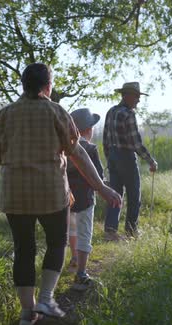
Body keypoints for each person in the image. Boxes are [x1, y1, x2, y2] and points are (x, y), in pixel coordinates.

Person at [0, 63, 121, 325]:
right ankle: (46, 299)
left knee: (24, 250)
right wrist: (101, 187)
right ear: (48, 86)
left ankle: (28, 314)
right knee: (57, 243)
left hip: (15, 194)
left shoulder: (3, 115)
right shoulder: (56, 111)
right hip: (51, 192)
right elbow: (78, 153)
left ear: (23, 85)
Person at [103, 82, 157, 241]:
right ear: (126, 95)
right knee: (134, 195)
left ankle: (110, 231)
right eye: (137, 96)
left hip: (113, 156)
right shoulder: (128, 114)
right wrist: (151, 161)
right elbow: (136, 143)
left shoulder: (111, 111)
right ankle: (131, 231)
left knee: (115, 194)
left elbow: (106, 139)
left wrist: (110, 158)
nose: (139, 100)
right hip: (126, 157)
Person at [66, 108, 104, 290]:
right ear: (88, 130)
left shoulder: (64, 148)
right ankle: (81, 273)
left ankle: (74, 258)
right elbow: (99, 175)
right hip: (86, 199)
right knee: (84, 233)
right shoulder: (90, 148)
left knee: (72, 230)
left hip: (67, 199)